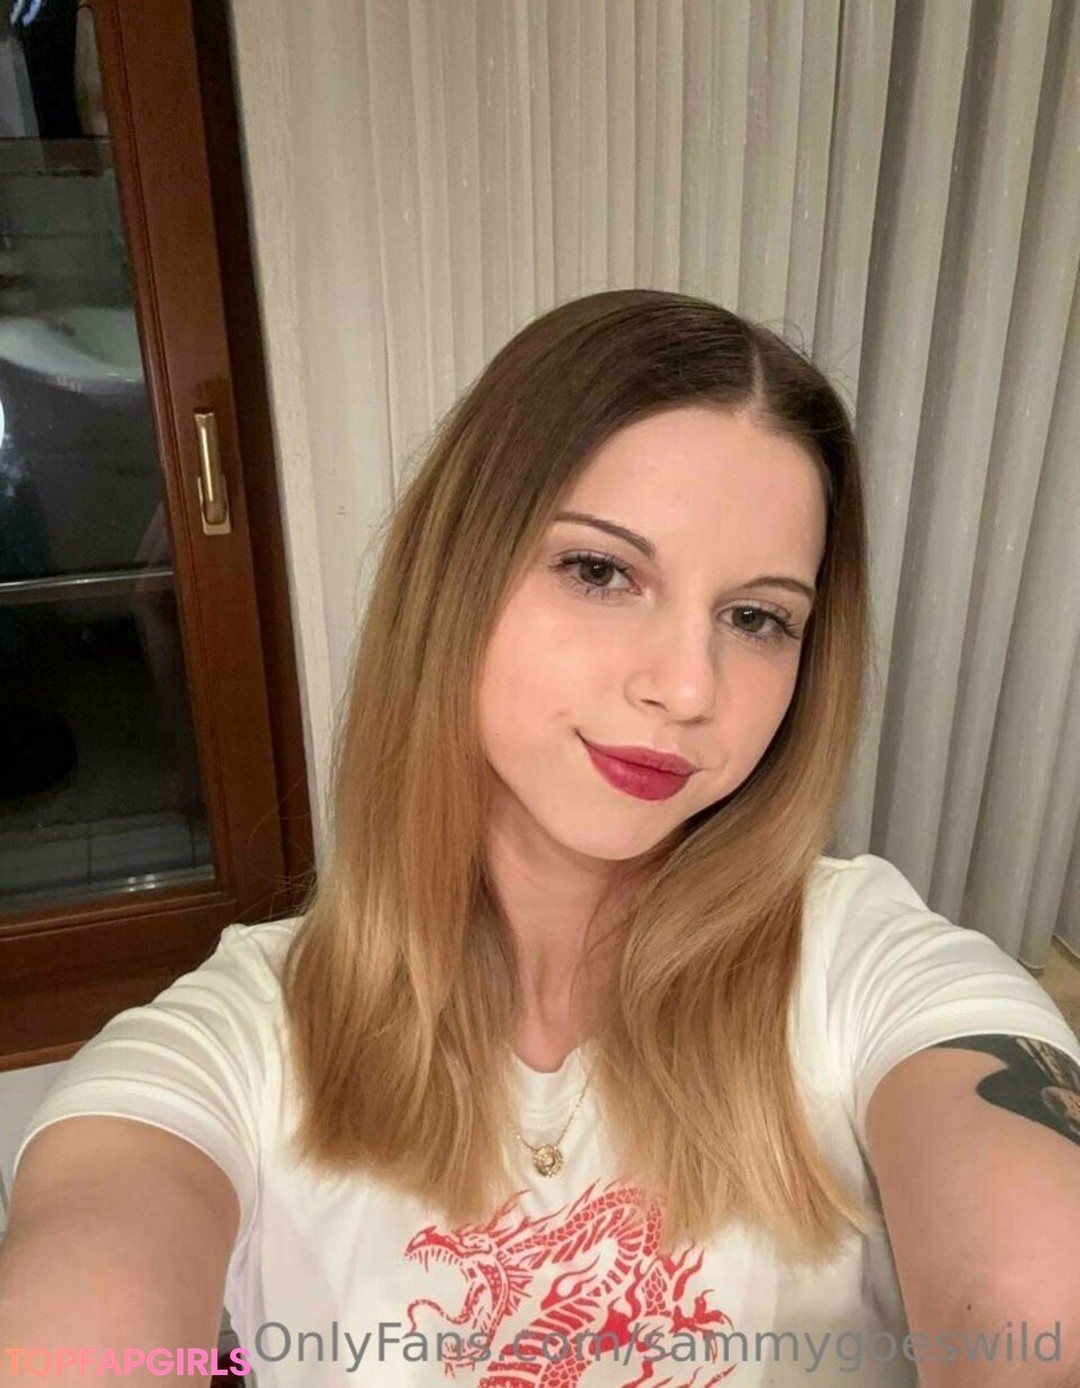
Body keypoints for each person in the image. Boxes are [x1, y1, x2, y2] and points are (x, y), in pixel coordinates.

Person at [1, 290, 1078, 1388]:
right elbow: (88, 1285)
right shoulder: (237, 1046)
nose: (687, 687)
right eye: (602, 571)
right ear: (453, 579)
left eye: (757, 617)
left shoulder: (866, 967)